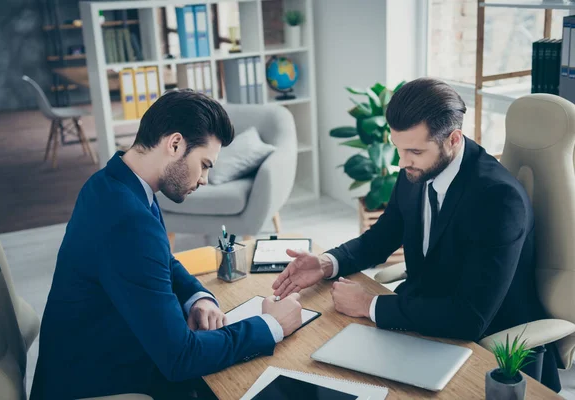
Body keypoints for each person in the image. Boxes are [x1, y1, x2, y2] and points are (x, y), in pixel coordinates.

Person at [272, 78, 561, 392]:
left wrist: (370, 305)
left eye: (413, 150)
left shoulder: (499, 200)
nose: (401, 161)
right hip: (420, 321)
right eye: (398, 147)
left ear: (453, 139)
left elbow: (469, 317)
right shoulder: (418, 168)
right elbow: (381, 237)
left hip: (481, 349)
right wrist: (327, 264)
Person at [30, 89, 303, 400]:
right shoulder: (127, 219)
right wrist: (271, 325)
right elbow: (180, 358)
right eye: (205, 164)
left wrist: (198, 297)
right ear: (175, 144)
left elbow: (161, 260)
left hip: (90, 356)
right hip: (95, 382)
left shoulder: (115, 183)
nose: (204, 179)